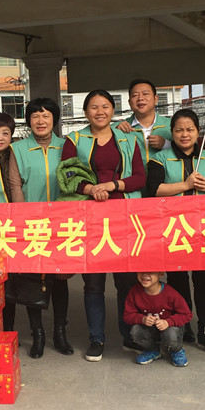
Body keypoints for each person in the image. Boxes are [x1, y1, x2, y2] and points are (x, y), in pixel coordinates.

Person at [60, 89, 145, 362]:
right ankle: (96, 338)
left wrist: (112, 185)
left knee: (126, 281)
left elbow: (140, 177)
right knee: (93, 283)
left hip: (123, 218)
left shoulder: (129, 138)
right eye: (94, 107)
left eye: (105, 106)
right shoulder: (75, 139)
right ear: (86, 112)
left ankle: (128, 335)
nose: (100, 112)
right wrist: (91, 189)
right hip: (89, 219)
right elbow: (67, 174)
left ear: (113, 110)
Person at [146, 108, 205, 355]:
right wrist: (185, 185)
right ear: (172, 133)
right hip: (174, 231)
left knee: (204, 281)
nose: (185, 134)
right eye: (179, 130)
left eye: (190, 129)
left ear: (198, 132)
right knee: (178, 281)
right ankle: (183, 324)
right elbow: (153, 190)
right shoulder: (160, 158)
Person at [7, 98, 74, 358]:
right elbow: (15, 185)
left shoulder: (67, 146)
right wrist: (23, 219)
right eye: (35, 116)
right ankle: (38, 334)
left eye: (46, 116)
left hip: (62, 223)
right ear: (29, 121)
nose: (40, 121)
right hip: (31, 224)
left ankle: (60, 332)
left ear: (54, 119)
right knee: (32, 280)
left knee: (60, 278)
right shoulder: (18, 148)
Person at [123, 271, 192, 367]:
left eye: (151, 272)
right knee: (135, 331)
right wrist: (142, 319)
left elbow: (186, 314)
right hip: (151, 328)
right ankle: (152, 350)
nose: (145, 275)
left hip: (170, 328)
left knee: (171, 335)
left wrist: (168, 322)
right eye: (141, 271)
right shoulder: (134, 291)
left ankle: (176, 350)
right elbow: (127, 315)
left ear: (161, 274)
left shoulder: (171, 293)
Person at [116, 79, 172, 183]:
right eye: (135, 95)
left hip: (166, 187)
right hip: (132, 188)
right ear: (129, 102)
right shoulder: (119, 128)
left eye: (145, 94)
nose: (140, 98)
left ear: (156, 99)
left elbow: (189, 151)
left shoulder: (172, 126)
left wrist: (165, 144)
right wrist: (115, 134)